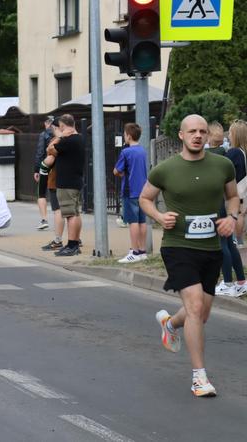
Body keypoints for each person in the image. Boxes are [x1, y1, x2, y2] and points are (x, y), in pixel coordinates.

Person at [140, 114, 238, 397]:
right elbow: (145, 198)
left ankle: (169, 323)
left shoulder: (223, 165)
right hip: (178, 246)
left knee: (202, 313)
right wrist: (159, 216)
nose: (198, 135)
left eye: (202, 131)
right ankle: (199, 378)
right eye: (192, 131)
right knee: (195, 306)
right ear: (181, 136)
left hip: (210, 248)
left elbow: (232, 196)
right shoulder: (165, 169)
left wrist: (232, 217)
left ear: (208, 136)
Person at [41, 115, 84, 256]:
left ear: (63, 126)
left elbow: (50, 149)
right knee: (75, 213)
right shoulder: (79, 138)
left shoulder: (68, 141)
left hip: (66, 183)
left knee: (70, 215)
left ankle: (71, 245)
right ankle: (75, 243)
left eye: (59, 127)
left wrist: (60, 136)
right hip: (75, 181)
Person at [215, 120, 247, 297]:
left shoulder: (233, 153)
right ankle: (241, 281)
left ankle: (227, 283)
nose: (228, 135)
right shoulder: (243, 152)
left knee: (224, 242)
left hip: (229, 201)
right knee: (230, 243)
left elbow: (221, 169)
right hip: (240, 199)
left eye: (231, 132)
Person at [113, 123, 148, 263]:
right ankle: (142, 251)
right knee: (142, 221)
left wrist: (121, 174)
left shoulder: (125, 152)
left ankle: (133, 251)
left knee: (132, 221)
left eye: (124, 134)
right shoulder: (142, 151)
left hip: (130, 190)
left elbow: (116, 170)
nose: (123, 136)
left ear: (128, 135)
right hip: (143, 190)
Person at [34, 116, 54, 230]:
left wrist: (36, 170)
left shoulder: (44, 135)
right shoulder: (59, 135)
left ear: (46, 124)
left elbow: (40, 152)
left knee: (41, 193)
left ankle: (44, 219)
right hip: (56, 168)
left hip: (45, 167)